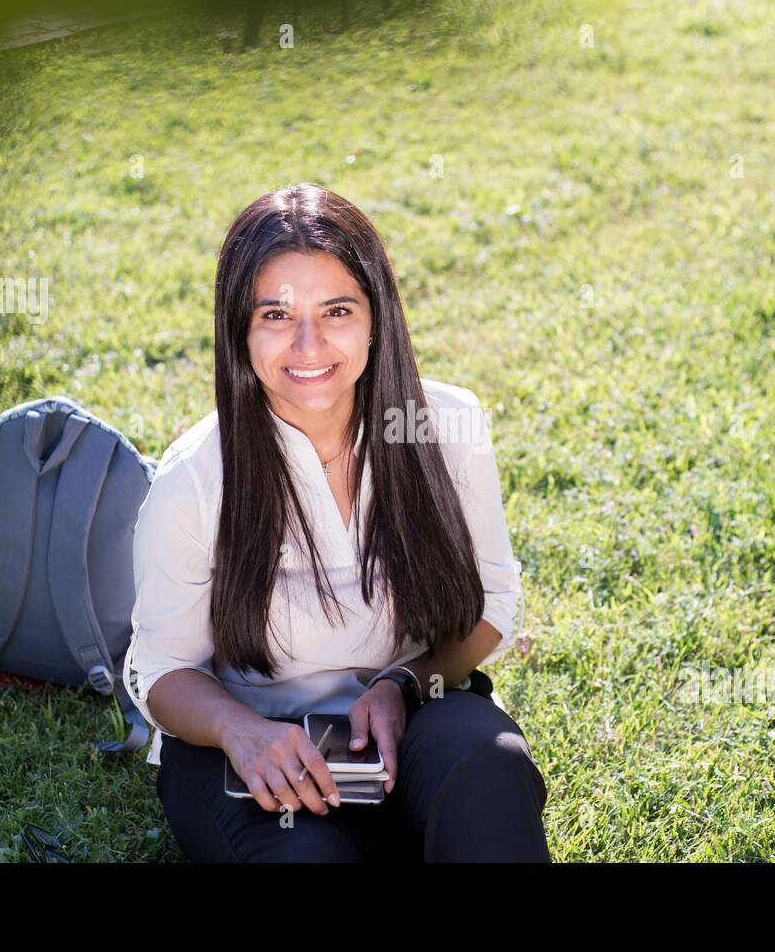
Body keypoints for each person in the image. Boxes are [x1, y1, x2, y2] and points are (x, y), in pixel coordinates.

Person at [123, 181, 550, 861]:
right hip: (248, 747)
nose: (308, 343)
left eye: (337, 309)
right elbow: (160, 669)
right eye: (275, 314)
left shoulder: (448, 428)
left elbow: (494, 604)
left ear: (376, 315)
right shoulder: (195, 477)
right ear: (239, 326)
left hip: (418, 716)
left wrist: (401, 685)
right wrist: (242, 731)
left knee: (490, 769)